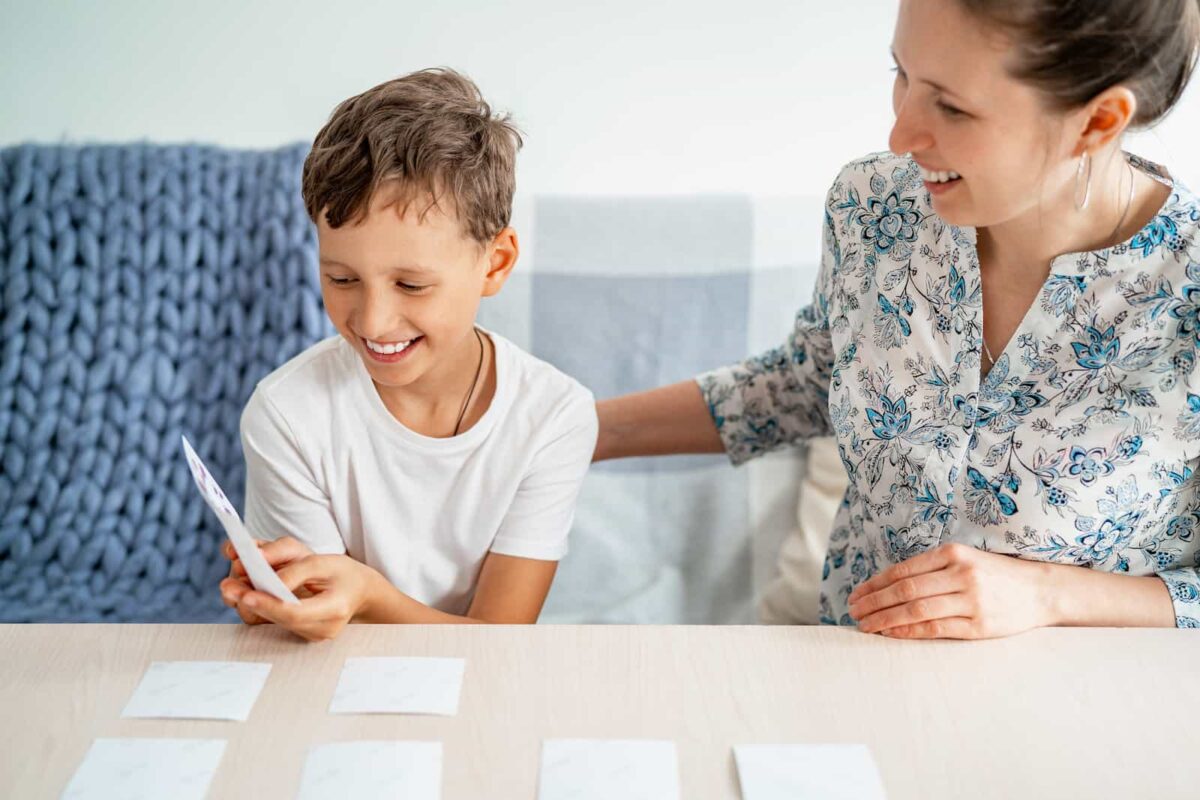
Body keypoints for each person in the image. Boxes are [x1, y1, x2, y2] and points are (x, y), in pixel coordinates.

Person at [595, 0, 1200, 638]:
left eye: (952, 106)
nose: (901, 135)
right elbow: (808, 383)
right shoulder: (875, 208)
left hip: (1084, 710)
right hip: (851, 676)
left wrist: (1052, 596)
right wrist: (578, 430)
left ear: (1097, 122)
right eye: (901, 74)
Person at [219, 68, 597, 640]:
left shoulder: (552, 415)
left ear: (494, 263)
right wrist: (289, 603)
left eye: (411, 286)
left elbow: (499, 642)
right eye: (342, 278)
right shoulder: (286, 413)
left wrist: (367, 595)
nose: (372, 321)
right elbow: (318, 624)